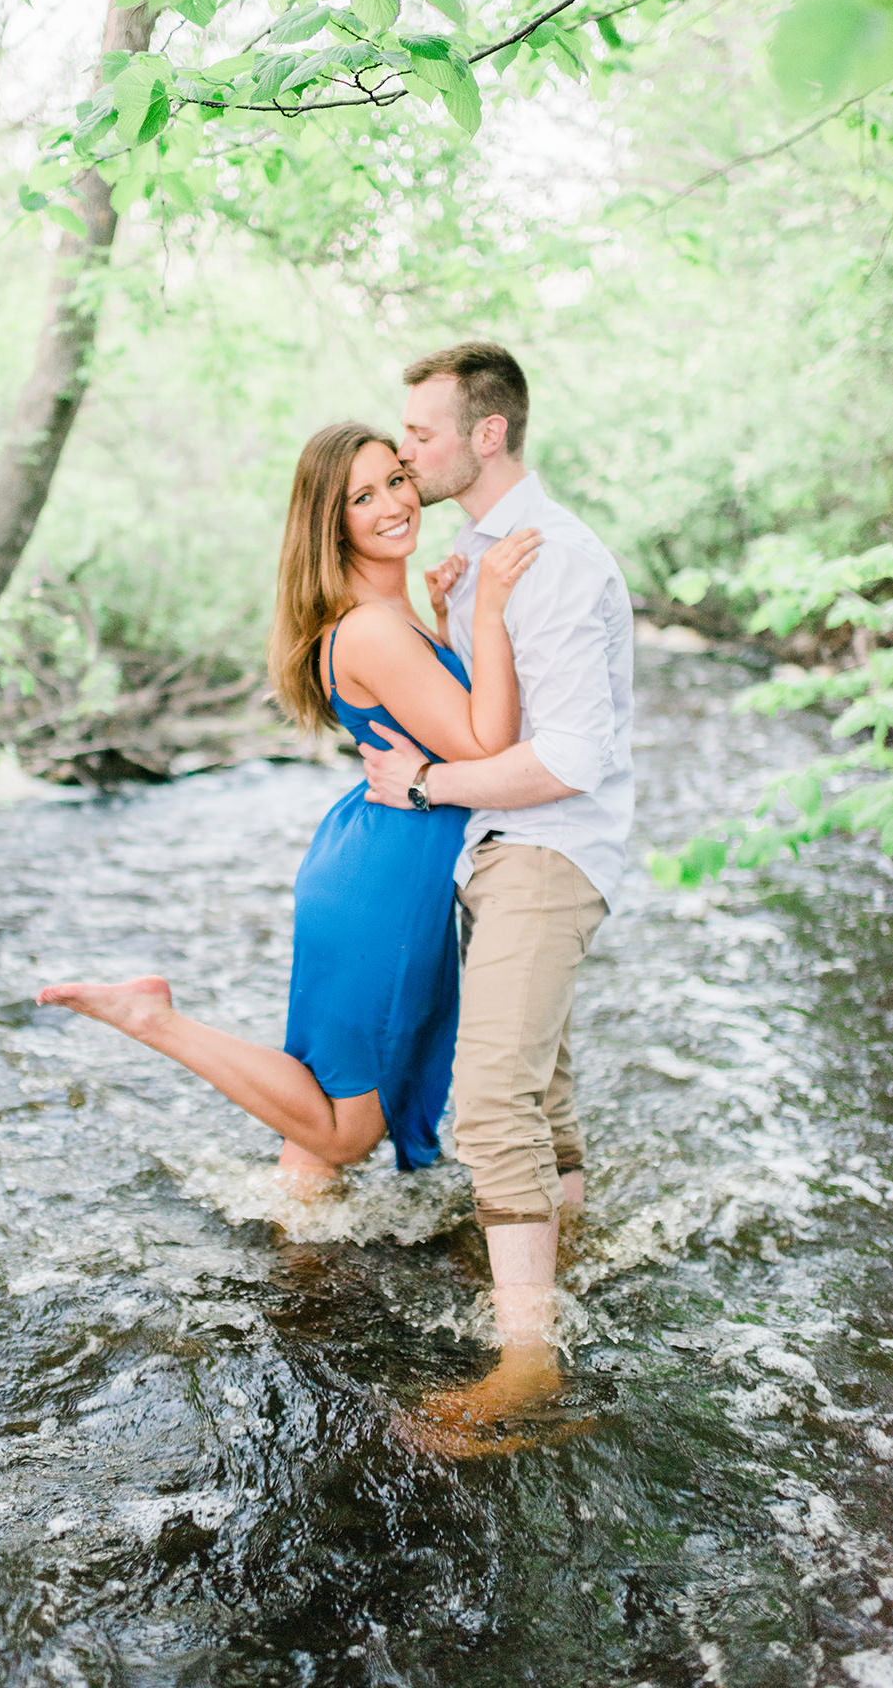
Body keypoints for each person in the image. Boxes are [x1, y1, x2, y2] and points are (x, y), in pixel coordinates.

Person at [36, 421, 539, 1191]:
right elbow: (484, 747)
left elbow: (432, 715)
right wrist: (492, 606)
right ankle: (154, 1019)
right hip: (387, 877)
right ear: (328, 523)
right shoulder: (370, 628)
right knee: (343, 1129)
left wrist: (446, 623)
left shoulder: (388, 613)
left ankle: (299, 1268)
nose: (391, 504)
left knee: (322, 1107)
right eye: (360, 498)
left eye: (395, 481)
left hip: (376, 856)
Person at [360, 343, 634, 1438]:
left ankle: (528, 1362)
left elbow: (565, 759)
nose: (406, 449)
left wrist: (424, 783)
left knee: (487, 1100)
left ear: (487, 433)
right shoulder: (481, 555)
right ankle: (565, 1250)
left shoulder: (555, 558)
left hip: (546, 846)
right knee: (542, 1093)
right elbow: (498, 712)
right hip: (502, 845)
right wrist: (452, 611)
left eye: (420, 432)